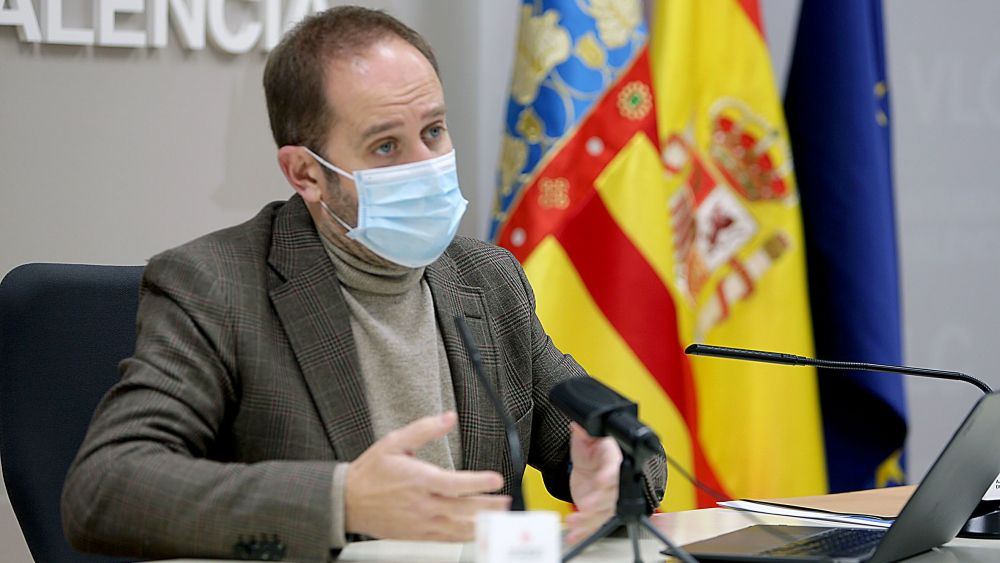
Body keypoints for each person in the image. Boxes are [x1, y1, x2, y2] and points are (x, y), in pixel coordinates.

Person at [61, 6, 666, 562]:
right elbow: (105, 487)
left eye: (434, 131)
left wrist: (614, 470)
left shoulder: (487, 278)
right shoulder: (215, 286)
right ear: (306, 173)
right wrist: (342, 499)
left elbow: (613, 442)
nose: (424, 164)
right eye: (385, 146)